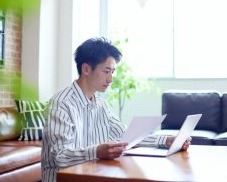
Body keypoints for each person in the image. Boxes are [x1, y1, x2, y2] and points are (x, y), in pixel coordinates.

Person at [41, 37, 191, 182]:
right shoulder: (61, 104)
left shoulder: (101, 105)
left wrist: (166, 140)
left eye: (112, 72)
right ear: (86, 69)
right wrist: (97, 151)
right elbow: (60, 156)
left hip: (92, 175)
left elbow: (127, 137)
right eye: (106, 71)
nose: (111, 79)